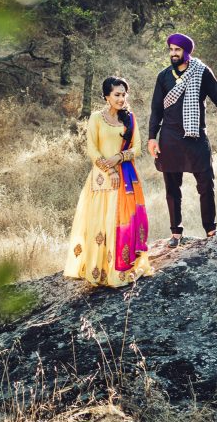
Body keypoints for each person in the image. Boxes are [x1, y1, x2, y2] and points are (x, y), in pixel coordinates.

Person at [147, 34, 217, 248]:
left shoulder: (202, 72)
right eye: (171, 49)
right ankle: (176, 233)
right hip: (170, 137)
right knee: (172, 188)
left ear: (186, 51)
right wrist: (151, 138)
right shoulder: (163, 76)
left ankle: (211, 230)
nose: (173, 53)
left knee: (206, 184)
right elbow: (156, 110)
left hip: (196, 138)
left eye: (177, 50)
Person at [63, 76, 153, 288]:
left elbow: (137, 148)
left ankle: (119, 269)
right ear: (106, 96)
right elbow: (92, 149)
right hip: (101, 178)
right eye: (117, 95)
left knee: (121, 220)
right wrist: (109, 168)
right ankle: (99, 269)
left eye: (124, 95)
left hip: (127, 177)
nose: (121, 99)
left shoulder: (129, 119)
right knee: (101, 222)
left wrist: (119, 158)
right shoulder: (96, 118)